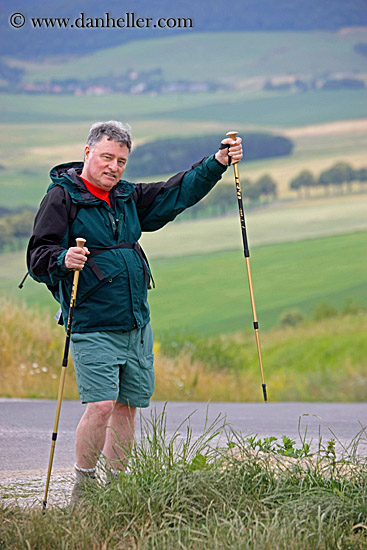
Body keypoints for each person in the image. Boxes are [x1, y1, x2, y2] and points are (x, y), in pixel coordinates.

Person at [27, 120, 243, 500]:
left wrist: (217, 162)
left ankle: (118, 488)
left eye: (121, 161)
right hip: (92, 322)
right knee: (101, 406)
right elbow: (38, 256)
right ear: (88, 152)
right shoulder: (62, 198)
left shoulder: (127, 197)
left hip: (136, 322)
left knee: (128, 408)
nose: (113, 167)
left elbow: (175, 192)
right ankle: (85, 486)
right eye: (107, 157)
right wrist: (64, 257)